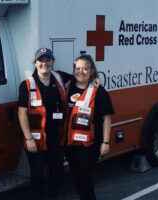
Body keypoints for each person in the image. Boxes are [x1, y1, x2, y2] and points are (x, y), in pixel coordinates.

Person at [18, 48, 72, 200]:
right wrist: (28, 138)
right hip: (35, 139)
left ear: (53, 62)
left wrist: (95, 78)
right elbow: (22, 113)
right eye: (41, 60)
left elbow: (81, 77)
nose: (45, 63)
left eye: (48, 60)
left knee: (58, 172)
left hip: (55, 137)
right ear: (35, 63)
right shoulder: (27, 85)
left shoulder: (59, 78)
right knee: (37, 175)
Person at [64, 54, 114, 200]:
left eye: (85, 68)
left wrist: (105, 142)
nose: (81, 71)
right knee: (76, 176)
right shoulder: (67, 86)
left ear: (92, 71)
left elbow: (106, 118)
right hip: (70, 144)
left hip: (89, 145)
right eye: (78, 68)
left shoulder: (99, 91)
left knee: (84, 176)